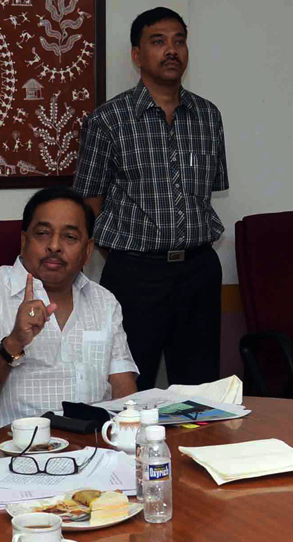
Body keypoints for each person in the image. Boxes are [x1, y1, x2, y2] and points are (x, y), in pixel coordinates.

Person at [74, 7, 228, 391]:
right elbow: (89, 201)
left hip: (198, 272)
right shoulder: (107, 121)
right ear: (137, 55)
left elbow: (208, 191)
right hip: (135, 276)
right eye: (158, 41)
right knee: (129, 392)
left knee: (199, 393)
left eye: (179, 40)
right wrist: (124, 255)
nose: (171, 50)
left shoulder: (209, 117)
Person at [0, 186, 139, 441]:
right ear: (24, 241)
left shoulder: (104, 302)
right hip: (2, 455)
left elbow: (124, 396)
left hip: (87, 454)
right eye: (43, 234)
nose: (55, 246)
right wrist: (13, 343)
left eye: (70, 237)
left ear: (88, 250)